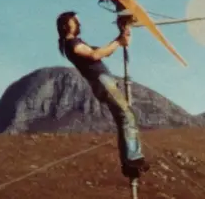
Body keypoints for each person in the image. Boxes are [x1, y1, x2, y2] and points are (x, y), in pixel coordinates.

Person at [56, 10, 149, 177]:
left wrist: (122, 36)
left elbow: (104, 51)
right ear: (66, 25)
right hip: (102, 80)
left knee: (124, 118)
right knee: (127, 115)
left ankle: (129, 164)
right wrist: (119, 40)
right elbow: (95, 54)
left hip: (103, 81)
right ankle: (133, 158)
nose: (78, 23)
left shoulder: (75, 43)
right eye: (74, 21)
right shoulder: (71, 43)